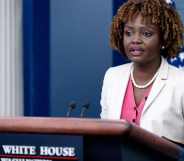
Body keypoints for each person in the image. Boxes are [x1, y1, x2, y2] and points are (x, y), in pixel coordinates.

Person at [100, 0, 184, 145]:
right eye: (129, 33)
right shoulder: (112, 77)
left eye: (146, 33)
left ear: (163, 39)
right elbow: (105, 135)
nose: (135, 40)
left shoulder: (180, 82)